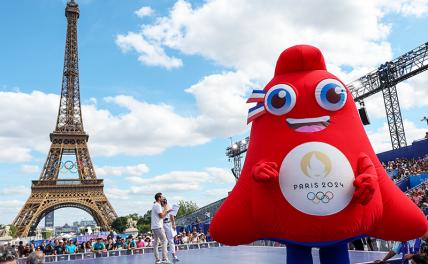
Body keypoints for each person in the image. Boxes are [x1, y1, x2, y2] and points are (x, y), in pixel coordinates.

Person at [151, 192, 172, 264]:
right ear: (159, 198)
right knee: (164, 241)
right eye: (162, 197)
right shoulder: (157, 205)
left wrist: (166, 210)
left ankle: (157, 260)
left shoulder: (156, 205)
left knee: (156, 243)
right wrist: (166, 208)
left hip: (154, 226)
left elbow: (161, 214)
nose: (163, 198)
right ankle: (164, 259)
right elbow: (162, 216)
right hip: (158, 226)